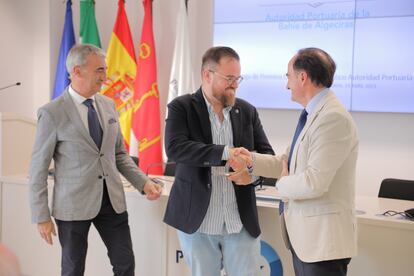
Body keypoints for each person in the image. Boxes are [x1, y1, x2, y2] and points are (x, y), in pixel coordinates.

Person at [29, 44, 162, 276]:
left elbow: (119, 154)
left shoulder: (108, 105)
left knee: (125, 264)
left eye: (105, 69)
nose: (105, 76)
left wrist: (144, 182)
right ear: (77, 71)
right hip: (72, 206)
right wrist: (41, 216)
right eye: (99, 70)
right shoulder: (51, 112)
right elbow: (38, 170)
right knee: (73, 270)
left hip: (112, 201)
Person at [229, 47, 358, 276]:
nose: (286, 84)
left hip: (322, 245)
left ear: (302, 77)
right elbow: (286, 162)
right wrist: (251, 160)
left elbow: (313, 182)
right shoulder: (313, 115)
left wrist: (280, 184)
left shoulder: (332, 118)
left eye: (288, 76)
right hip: (307, 241)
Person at [163, 46, 274, 276]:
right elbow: (175, 149)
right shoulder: (181, 107)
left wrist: (251, 175)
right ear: (207, 75)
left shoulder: (247, 111)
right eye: (229, 78)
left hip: (240, 222)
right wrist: (225, 152)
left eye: (238, 78)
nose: (235, 84)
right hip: (198, 222)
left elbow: (267, 157)